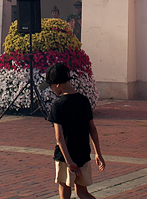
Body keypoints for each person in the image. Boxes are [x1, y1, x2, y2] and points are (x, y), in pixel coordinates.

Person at [47, 63, 105, 199]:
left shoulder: (58, 105)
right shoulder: (84, 101)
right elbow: (93, 129)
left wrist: (69, 162)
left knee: (64, 189)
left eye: (50, 86)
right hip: (83, 153)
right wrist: (98, 153)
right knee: (82, 192)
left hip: (65, 156)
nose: (50, 89)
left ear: (57, 85)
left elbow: (59, 137)